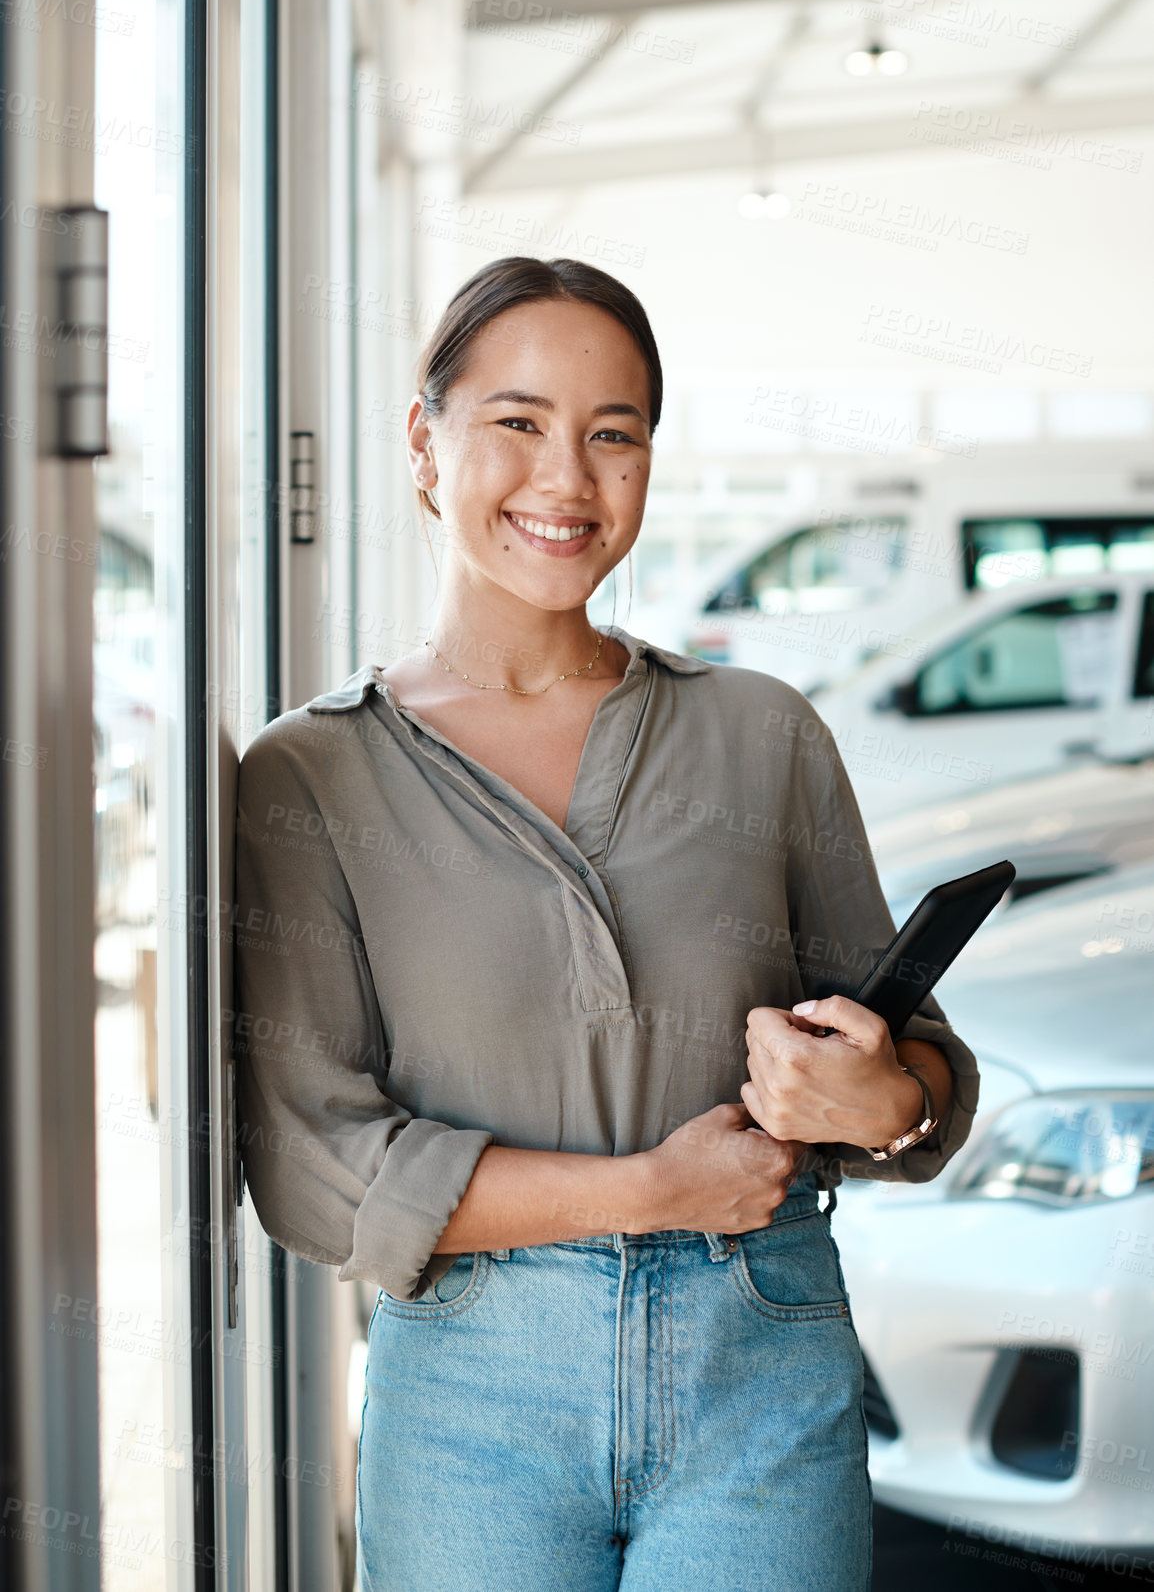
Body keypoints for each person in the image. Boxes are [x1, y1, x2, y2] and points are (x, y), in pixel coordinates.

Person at [234, 256, 979, 1592]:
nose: (565, 483)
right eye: (516, 423)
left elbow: (920, 1080)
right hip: (471, 1398)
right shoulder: (311, 777)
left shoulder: (761, 734)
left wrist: (872, 1100)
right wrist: (648, 1191)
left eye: (612, 436)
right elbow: (311, 1163)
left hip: (758, 1361)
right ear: (424, 440)